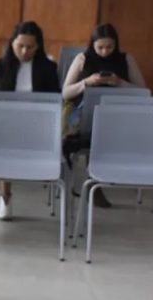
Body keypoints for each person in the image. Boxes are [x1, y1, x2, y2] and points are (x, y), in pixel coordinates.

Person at [61, 23, 146, 208]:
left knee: (105, 130)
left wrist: (120, 83)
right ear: (92, 45)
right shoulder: (82, 58)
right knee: (93, 129)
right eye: (100, 47)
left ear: (116, 45)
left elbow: (143, 92)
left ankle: (94, 179)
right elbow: (65, 92)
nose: (105, 51)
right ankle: (93, 181)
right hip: (85, 113)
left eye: (110, 47)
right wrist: (86, 82)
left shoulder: (126, 59)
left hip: (117, 115)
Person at [0, 21, 60, 220]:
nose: (25, 51)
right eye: (20, 46)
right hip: (6, 124)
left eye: (30, 47)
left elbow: (55, 101)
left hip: (38, 125)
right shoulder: (1, 66)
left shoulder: (48, 68)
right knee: (4, 140)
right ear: (12, 44)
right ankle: (5, 195)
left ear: (38, 46)